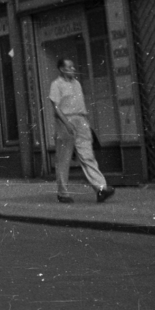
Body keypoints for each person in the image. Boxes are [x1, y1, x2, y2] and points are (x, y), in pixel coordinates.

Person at [49, 57, 114, 204]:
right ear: (61, 69)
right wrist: (66, 123)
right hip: (65, 121)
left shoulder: (77, 83)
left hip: (81, 120)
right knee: (63, 159)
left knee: (87, 155)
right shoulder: (56, 84)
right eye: (69, 67)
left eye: (73, 67)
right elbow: (56, 108)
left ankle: (101, 188)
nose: (73, 69)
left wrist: (85, 123)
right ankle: (63, 193)